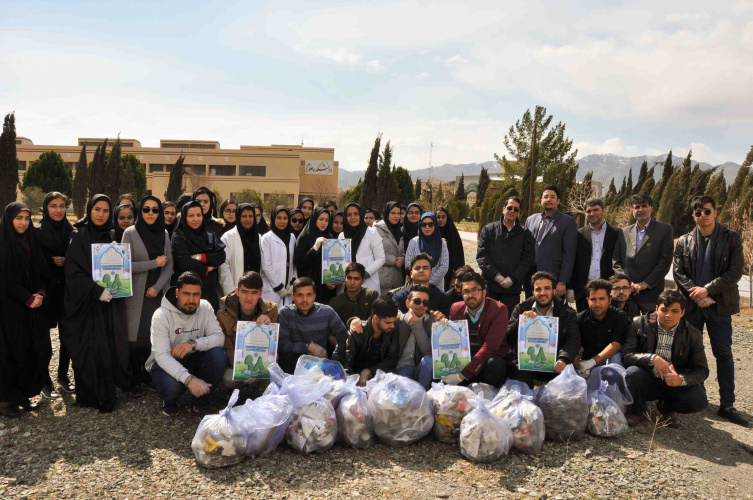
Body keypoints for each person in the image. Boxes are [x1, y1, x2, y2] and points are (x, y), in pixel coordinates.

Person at [673, 195, 747, 426]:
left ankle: (727, 405)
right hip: (693, 305)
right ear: (693, 216)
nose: (702, 216)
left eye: (707, 211)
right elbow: (678, 273)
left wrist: (707, 290)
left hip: (719, 305)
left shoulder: (731, 238)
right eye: (698, 213)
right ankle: (695, 397)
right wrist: (696, 294)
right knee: (689, 352)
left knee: (723, 353)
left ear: (715, 212)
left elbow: (735, 271)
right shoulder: (684, 241)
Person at [61, 195, 131, 413]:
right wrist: (95, 290)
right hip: (87, 306)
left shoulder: (112, 235)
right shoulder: (79, 236)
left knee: (108, 348)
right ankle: (89, 395)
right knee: (89, 351)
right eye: (97, 209)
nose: (101, 214)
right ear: (89, 210)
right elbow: (73, 272)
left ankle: (108, 393)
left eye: (105, 210)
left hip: (108, 306)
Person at [623, 290, 708, 428]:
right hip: (647, 378)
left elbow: (702, 369)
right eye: (664, 310)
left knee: (698, 399)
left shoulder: (693, 334)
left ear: (683, 312)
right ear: (657, 309)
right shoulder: (639, 324)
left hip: (673, 382)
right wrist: (652, 358)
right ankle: (637, 411)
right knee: (633, 373)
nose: (669, 315)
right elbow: (626, 355)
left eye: (675, 311)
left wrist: (681, 380)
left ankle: (666, 408)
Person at [146, 271, 227, 417]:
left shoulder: (205, 307)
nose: (191, 299)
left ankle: (201, 402)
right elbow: (162, 356)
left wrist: (193, 344)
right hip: (167, 362)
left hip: (194, 358)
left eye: (196, 294)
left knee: (218, 356)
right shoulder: (161, 315)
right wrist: (189, 380)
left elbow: (219, 338)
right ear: (177, 293)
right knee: (171, 387)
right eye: (186, 294)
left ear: (201, 293)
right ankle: (170, 402)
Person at [0, 203, 52, 418]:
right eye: (18, 218)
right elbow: (6, 279)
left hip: (33, 309)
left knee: (34, 351)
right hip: (10, 312)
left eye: (26, 218)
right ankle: (5, 401)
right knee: (11, 354)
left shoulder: (31, 240)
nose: (23, 223)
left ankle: (23, 396)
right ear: (9, 219)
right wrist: (26, 297)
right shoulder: (3, 243)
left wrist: (40, 292)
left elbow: (43, 270)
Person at [122, 195, 173, 397]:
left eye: (155, 210)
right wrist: (153, 264)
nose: (150, 213)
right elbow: (124, 265)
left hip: (156, 295)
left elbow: (169, 264)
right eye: (146, 209)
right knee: (134, 339)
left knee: (152, 337)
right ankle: (133, 380)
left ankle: (146, 376)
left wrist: (157, 287)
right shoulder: (130, 233)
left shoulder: (164, 233)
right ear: (140, 212)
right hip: (136, 295)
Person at [507, 271, 580, 386]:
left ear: (554, 291)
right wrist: (521, 322)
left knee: (562, 395)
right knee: (519, 391)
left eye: (547, 288)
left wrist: (563, 359)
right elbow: (508, 338)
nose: (543, 293)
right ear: (533, 292)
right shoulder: (521, 308)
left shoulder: (567, 312)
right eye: (538, 289)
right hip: (526, 364)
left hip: (555, 363)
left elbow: (573, 340)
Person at [444, 272, 513, 387]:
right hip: (464, 360)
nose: (470, 295)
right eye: (466, 291)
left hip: (486, 362)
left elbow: (490, 347)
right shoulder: (455, 309)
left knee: (496, 364)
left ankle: (488, 396)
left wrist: (463, 374)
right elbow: (454, 344)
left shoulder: (499, 310)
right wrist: (444, 329)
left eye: (474, 290)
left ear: (484, 292)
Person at [36, 192, 75, 396]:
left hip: (67, 292)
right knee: (44, 340)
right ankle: (44, 381)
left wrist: (67, 260)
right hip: (44, 291)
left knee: (66, 337)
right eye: (53, 206)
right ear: (46, 208)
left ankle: (62, 375)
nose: (58, 210)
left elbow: (80, 260)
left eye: (62, 206)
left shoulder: (73, 232)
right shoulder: (36, 232)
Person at [612, 193, 674, 313]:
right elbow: (616, 260)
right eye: (637, 207)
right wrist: (627, 283)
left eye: (644, 206)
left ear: (651, 209)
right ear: (632, 210)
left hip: (652, 293)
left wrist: (646, 283)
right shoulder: (624, 232)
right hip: (627, 294)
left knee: (651, 329)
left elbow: (665, 261)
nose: (640, 210)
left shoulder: (664, 230)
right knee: (627, 328)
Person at [217, 271, 278, 389]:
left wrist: (268, 328)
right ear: (237, 291)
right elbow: (226, 347)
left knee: (275, 358)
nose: (249, 298)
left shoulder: (271, 310)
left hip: (260, 359)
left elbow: (273, 346)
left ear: (260, 293)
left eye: (254, 293)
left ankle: (262, 394)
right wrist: (245, 368)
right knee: (228, 379)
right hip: (236, 361)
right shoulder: (222, 314)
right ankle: (237, 395)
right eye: (244, 292)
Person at [477, 195, 535, 317]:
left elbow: (527, 259)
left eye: (516, 209)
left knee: (509, 321)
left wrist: (512, 279)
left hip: (512, 289)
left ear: (519, 212)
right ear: (503, 209)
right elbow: (482, 257)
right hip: (490, 286)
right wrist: (497, 276)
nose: (512, 211)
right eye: (509, 208)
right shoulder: (489, 230)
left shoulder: (525, 234)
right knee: (486, 319)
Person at [277, 277, 348, 373]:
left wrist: (333, 361)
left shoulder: (326, 312)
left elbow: (344, 337)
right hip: (292, 368)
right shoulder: (286, 313)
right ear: (293, 296)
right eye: (300, 295)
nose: (304, 300)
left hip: (320, 367)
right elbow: (281, 345)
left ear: (314, 296)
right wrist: (308, 347)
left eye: (309, 295)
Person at [171, 200, 226, 312]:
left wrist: (199, 257)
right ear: (184, 217)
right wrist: (207, 268)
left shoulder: (208, 234)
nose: (196, 219)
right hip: (188, 292)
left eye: (199, 215)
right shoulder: (178, 236)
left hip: (209, 290)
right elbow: (184, 262)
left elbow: (221, 256)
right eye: (191, 216)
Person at [524, 185, 577, 299]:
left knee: (552, 313)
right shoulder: (531, 219)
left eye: (552, 197)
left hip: (553, 277)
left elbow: (569, 254)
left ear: (558, 201)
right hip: (530, 275)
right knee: (530, 310)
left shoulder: (567, 222)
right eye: (546, 197)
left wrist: (562, 281)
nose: (548, 199)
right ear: (541, 200)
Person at [569, 198, 618, 312]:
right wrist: (570, 287)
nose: (592, 214)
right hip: (584, 291)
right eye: (589, 211)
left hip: (608, 290)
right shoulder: (579, 234)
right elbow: (573, 261)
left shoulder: (616, 233)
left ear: (604, 211)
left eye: (596, 210)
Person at [575, 279, 630, 377]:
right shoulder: (580, 318)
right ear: (587, 300)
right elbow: (573, 343)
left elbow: (616, 344)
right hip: (586, 361)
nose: (597, 304)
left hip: (608, 359)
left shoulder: (619, 316)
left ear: (609, 300)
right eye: (593, 299)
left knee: (616, 358)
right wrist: (577, 364)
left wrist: (593, 362)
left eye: (601, 299)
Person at [344, 296, 400, 385]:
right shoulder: (356, 333)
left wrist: (369, 371)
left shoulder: (392, 329)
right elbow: (347, 365)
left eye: (393, 322)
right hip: (356, 378)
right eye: (388, 322)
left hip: (381, 376)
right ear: (375, 318)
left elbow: (391, 360)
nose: (392, 326)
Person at [394, 285, 435, 389]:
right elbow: (375, 320)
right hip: (402, 367)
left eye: (425, 303)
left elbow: (428, 351)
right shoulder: (399, 320)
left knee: (429, 360)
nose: (421, 305)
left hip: (421, 368)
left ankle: (422, 396)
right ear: (408, 303)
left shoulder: (431, 323)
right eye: (417, 301)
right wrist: (354, 320)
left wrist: (416, 324)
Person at [339, 202, 386, 293]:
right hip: (347, 284)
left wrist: (364, 274)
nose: (353, 217)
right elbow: (340, 259)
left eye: (356, 214)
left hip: (367, 283)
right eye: (349, 215)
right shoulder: (341, 235)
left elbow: (381, 258)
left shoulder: (372, 232)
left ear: (361, 215)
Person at [294, 206, 335, 305]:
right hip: (309, 286)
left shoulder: (329, 237)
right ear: (314, 219)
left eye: (326, 220)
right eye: (321, 219)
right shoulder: (304, 237)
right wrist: (314, 248)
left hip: (325, 288)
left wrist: (332, 281)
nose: (324, 223)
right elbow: (300, 263)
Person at [219, 203, 261, 296]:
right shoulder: (228, 237)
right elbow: (223, 266)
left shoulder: (259, 238)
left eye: (251, 216)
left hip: (255, 289)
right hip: (235, 290)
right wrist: (230, 291)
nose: (248, 219)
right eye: (244, 216)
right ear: (238, 217)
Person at [392, 253, 452, 317]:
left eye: (425, 268)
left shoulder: (442, 298)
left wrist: (440, 318)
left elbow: (447, 320)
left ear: (431, 273)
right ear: (411, 274)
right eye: (417, 268)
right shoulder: (399, 297)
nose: (421, 270)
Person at [260, 206, 297, 307]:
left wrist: (294, 280)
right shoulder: (266, 238)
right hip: (272, 289)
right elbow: (266, 266)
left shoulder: (292, 237)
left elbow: (294, 262)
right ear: (273, 219)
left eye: (285, 218)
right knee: (271, 318)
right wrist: (279, 287)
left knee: (285, 317)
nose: (282, 221)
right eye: (279, 218)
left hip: (288, 288)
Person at [404, 212, 449, 291]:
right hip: (416, 286)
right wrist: (419, 281)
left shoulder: (442, 244)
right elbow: (408, 263)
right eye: (424, 224)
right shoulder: (414, 242)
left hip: (436, 287)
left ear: (435, 225)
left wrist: (429, 282)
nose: (427, 227)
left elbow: (444, 266)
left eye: (430, 224)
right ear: (420, 226)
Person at [374, 201, 405, 295]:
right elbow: (375, 252)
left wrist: (403, 258)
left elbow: (401, 250)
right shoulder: (377, 229)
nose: (396, 216)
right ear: (387, 213)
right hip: (382, 279)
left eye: (398, 213)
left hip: (397, 280)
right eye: (393, 213)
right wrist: (393, 260)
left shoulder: (399, 230)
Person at [436, 207, 465, 291]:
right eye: (438, 217)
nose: (440, 220)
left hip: (450, 276)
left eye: (443, 217)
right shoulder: (431, 234)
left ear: (447, 218)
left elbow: (458, 258)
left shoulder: (453, 235)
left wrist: (455, 277)